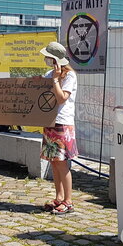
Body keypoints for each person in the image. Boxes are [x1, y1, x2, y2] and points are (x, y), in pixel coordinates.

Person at [37, 42, 78, 214]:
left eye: (48, 57)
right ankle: (59, 197)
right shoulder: (49, 73)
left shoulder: (69, 76)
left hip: (63, 122)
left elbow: (61, 98)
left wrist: (55, 79)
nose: (46, 59)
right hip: (50, 121)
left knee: (62, 164)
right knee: (54, 163)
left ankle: (68, 201)